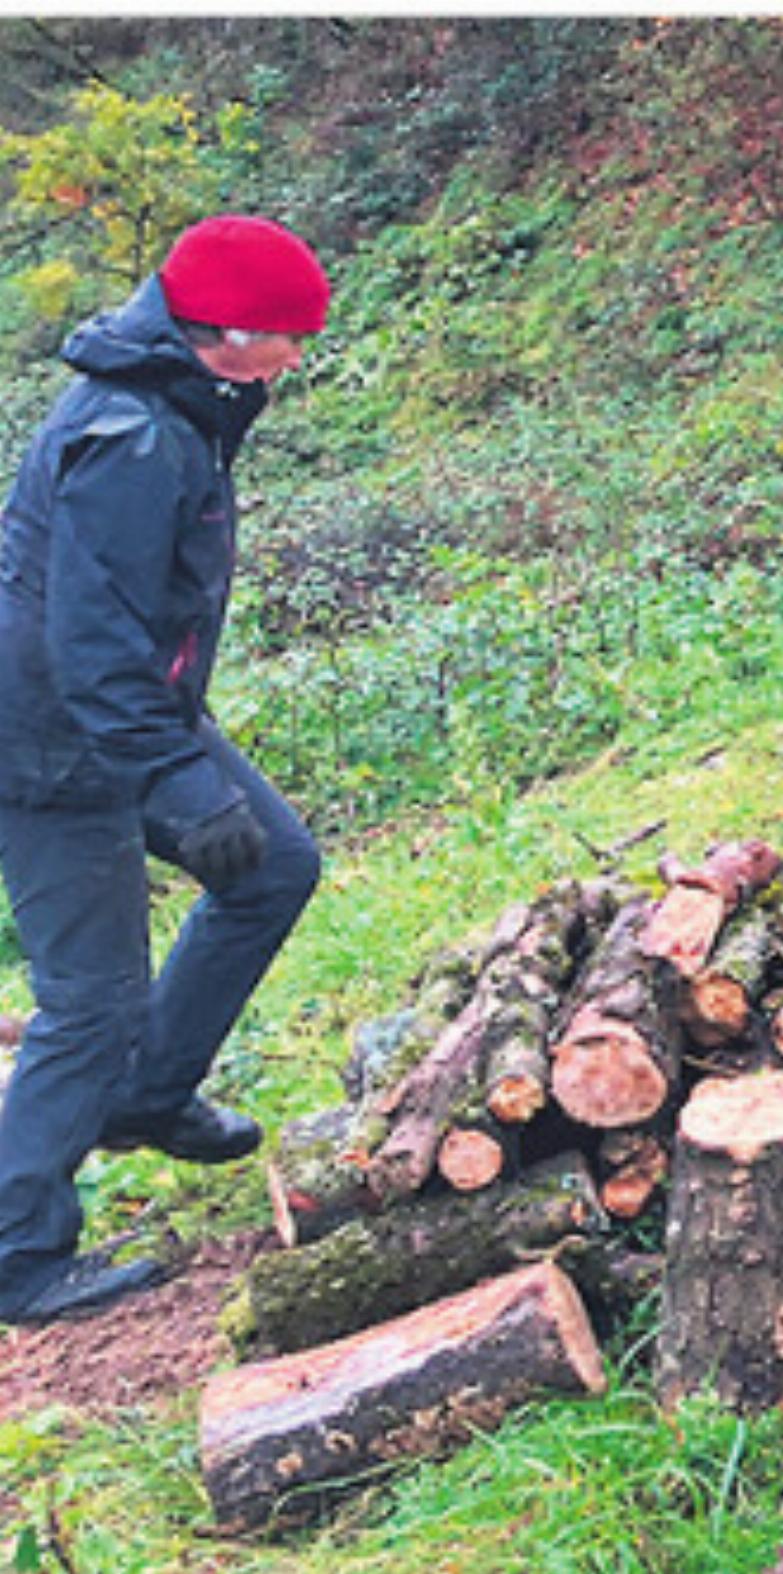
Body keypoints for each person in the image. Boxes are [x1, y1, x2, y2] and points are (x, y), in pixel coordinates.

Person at [0, 216, 329, 1324]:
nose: (297, 359)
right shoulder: (132, 437)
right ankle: (18, 1250)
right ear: (227, 336)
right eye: (290, 339)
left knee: (273, 864)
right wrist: (179, 780)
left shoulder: (184, 398)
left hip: (126, 710)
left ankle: (148, 1092)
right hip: (50, 738)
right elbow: (87, 646)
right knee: (90, 999)